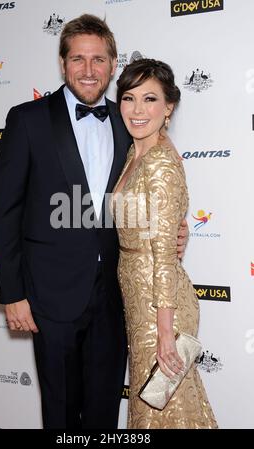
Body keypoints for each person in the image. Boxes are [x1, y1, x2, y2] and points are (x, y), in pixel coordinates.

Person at [0, 15, 188, 429]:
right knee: (60, 412)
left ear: (113, 65)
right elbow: (3, 211)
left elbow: (142, 196)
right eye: (78, 59)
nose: (88, 70)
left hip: (115, 298)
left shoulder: (128, 120)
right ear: (62, 64)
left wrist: (170, 232)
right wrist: (12, 294)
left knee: (103, 411)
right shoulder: (27, 119)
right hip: (49, 296)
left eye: (98, 59)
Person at [113, 58, 218, 428]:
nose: (137, 109)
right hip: (141, 298)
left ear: (169, 106)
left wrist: (164, 333)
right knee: (167, 409)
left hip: (160, 308)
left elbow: (162, 256)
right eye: (128, 98)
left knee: (161, 411)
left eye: (150, 98)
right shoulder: (135, 151)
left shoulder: (159, 163)